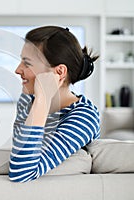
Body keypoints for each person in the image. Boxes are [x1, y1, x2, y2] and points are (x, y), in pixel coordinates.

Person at [9, 26, 100, 182]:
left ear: (59, 72)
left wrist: (42, 100)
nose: (17, 70)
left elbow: (21, 172)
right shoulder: (27, 100)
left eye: (27, 63)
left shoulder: (84, 117)